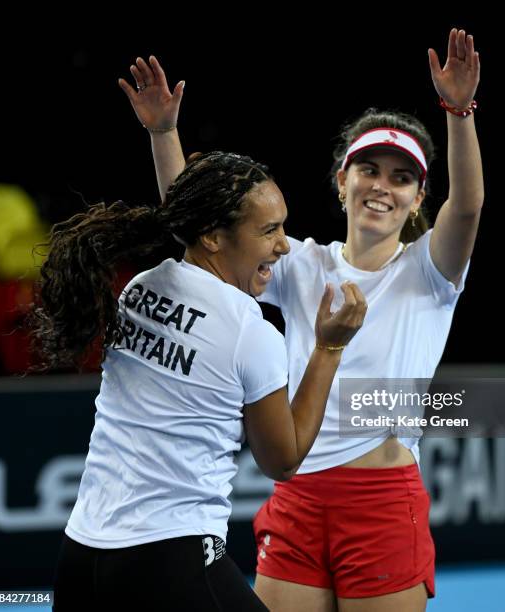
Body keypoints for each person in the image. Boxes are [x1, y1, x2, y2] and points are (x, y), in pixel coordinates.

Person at [123, 27, 482, 611]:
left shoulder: (431, 271)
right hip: (296, 495)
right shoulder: (301, 262)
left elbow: (466, 206)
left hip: (383, 501)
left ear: (419, 199)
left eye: (401, 178)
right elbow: (204, 227)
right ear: (342, 182)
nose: (382, 187)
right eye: (369, 170)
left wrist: (458, 111)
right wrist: (164, 134)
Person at [28, 149, 367, 611]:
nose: (284, 245)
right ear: (211, 235)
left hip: (81, 558)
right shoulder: (250, 332)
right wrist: (329, 348)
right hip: (169, 561)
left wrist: (162, 134)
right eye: (269, 230)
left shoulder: (140, 288)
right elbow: (282, 462)